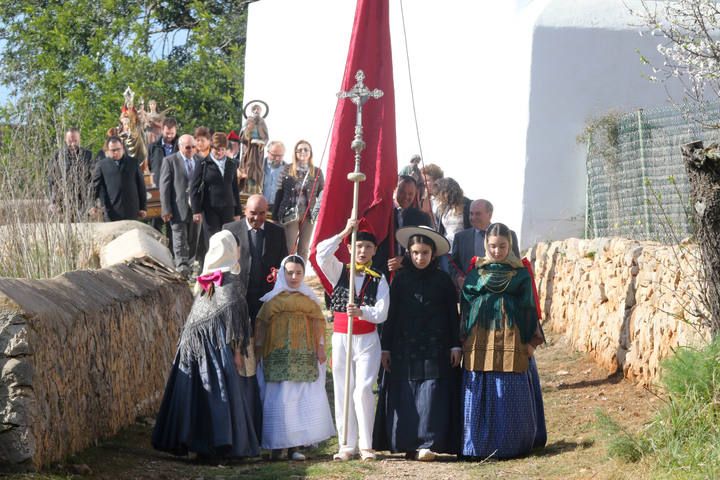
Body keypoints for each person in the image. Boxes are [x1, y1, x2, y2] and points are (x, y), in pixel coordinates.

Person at [152, 230, 262, 460]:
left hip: (192, 345)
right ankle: (218, 445)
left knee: (197, 393)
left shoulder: (205, 281)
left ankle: (195, 442)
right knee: (217, 393)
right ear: (232, 250)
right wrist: (237, 353)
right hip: (216, 346)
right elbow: (233, 321)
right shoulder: (230, 282)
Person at [373, 226, 461, 461]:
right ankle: (408, 443)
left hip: (437, 346)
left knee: (432, 393)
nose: (420, 257)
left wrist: (455, 345)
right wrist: (386, 347)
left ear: (433, 254)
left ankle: (428, 443)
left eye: (424, 252)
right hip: (405, 347)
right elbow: (390, 317)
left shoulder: (443, 281)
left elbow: (453, 314)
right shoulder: (400, 280)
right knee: (408, 395)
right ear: (408, 253)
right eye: (415, 252)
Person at [460, 222, 546, 460]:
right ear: (485, 245)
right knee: (480, 383)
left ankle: (512, 444)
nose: (497, 251)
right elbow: (466, 303)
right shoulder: (476, 272)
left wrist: (530, 342)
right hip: (480, 339)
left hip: (512, 337)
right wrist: (464, 335)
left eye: (502, 246)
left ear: (510, 245)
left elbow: (529, 308)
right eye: (492, 246)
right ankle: (476, 445)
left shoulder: (519, 273)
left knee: (508, 384)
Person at [316, 218, 389, 461]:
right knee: (343, 389)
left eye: (368, 247)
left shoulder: (378, 277)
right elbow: (320, 254)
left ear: (375, 251)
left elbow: (382, 312)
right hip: (342, 337)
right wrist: (345, 231)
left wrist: (362, 312)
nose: (362, 251)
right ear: (350, 248)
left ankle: (366, 445)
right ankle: (346, 445)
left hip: (367, 338)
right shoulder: (339, 270)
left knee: (364, 389)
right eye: (358, 246)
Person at [254, 255, 335, 461]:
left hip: (303, 356)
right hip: (277, 357)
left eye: (298, 272)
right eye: (289, 272)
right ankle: (276, 446)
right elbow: (261, 326)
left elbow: (318, 324)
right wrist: (258, 352)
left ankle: (295, 447)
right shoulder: (272, 301)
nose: (294, 276)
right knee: (279, 399)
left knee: (298, 400)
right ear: (282, 273)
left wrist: (321, 348)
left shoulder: (309, 300)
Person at [223, 194, 288, 323]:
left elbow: (283, 263)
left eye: (262, 213)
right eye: (253, 213)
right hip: (238, 294)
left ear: (267, 211)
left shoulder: (278, 233)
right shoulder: (230, 230)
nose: (257, 218)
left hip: (266, 296)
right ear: (245, 210)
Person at [190, 132, 242, 265]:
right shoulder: (203, 163)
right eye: (216, 149)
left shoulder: (231, 164)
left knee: (227, 239)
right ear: (211, 148)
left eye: (222, 149)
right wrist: (196, 210)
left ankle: (225, 268)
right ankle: (210, 269)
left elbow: (235, 189)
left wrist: (237, 212)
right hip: (210, 208)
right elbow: (194, 188)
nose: (219, 152)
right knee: (213, 241)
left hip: (228, 208)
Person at [272, 140, 324, 260]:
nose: (303, 152)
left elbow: (322, 191)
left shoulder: (317, 172)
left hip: (309, 214)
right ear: (295, 153)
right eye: (299, 150)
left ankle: (301, 275)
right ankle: (287, 274)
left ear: (310, 153)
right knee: (289, 247)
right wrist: (275, 217)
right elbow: (279, 193)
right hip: (290, 213)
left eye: (306, 149)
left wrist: (318, 209)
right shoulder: (287, 169)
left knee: (304, 248)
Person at [451, 199, 520, 288]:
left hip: (499, 290)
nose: (473, 217)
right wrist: (458, 278)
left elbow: (516, 263)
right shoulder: (461, 238)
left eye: (478, 214)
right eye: (471, 214)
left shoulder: (508, 235)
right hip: (471, 291)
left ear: (490, 214)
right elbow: (453, 264)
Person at [160, 134, 200, 278]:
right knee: (179, 239)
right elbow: (164, 187)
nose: (191, 150)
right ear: (180, 146)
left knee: (194, 238)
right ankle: (182, 267)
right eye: (188, 147)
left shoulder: (199, 160)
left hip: (196, 209)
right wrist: (166, 208)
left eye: (193, 147)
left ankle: (191, 266)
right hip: (177, 208)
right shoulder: (170, 161)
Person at [376, 176, 432, 275]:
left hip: (411, 273)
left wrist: (406, 261)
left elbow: (427, 248)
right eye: (402, 192)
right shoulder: (382, 214)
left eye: (410, 194)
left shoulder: (422, 218)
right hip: (382, 272)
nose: (406, 197)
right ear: (395, 190)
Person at [91, 136, 147, 221]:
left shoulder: (133, 162)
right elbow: (95, 187)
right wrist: (92, 205)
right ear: (108, 151)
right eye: (113, 150)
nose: (116, 152)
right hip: (111, 211)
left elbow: (141, 186)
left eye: (118, 149)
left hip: (131, 210)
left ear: (123, 148)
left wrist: (143, 207)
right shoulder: (102, 165)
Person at [48, 127, 95, 220]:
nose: (73, 144)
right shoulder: (58, 155)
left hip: (82, 200)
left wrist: (91, 203)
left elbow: (92, 180)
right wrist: (52, 202)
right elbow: (51, 180)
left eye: (75, 140)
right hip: (62, 200)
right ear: (65, 140)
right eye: (70, 141)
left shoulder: (87, 155)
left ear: (79, 139)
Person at [432, 177, 469, 275]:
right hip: (446, 250)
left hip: (463, 249)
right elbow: (440, 230)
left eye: (439, 193)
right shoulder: (442, 209)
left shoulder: (467, 205)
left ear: (446, 192)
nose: (438, 197)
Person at [239, 104, 269, 194]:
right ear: (252, 111)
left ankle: (256, 189)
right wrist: (248, 131)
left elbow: (266, 137)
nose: (256, 111)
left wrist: (262, 142)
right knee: (248, 167)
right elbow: (241, 136)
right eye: (254, 109)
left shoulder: (262, 122)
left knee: (257, 168)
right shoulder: (248, 121)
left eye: (258, 109)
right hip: (249, 148)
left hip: (258, 150)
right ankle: (245, 188)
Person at [262, 140, 287, 210]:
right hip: (260, 206)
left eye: (280, 155)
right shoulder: (259, 166)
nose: (277, 158)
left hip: (278, 208)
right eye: (274, 155)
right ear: (268, 152)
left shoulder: (288, 170)